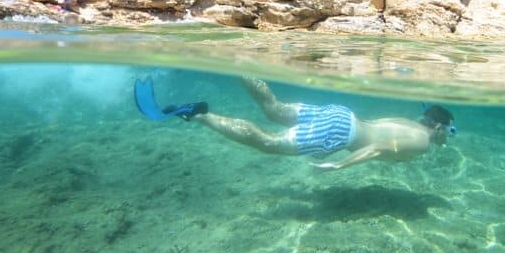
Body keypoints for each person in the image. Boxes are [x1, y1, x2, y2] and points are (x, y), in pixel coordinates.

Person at [133, 77, 456, 171]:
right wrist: (339, 164)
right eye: (450, 132)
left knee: (274, 109)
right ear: (439, 128)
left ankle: (238, 64)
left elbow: (376, 130)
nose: (447, 139)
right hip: (343, 132)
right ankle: (198, 114)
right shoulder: (423, 142)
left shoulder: (408, 122)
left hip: (343, 116)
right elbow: (375, 148)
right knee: (269, 142)